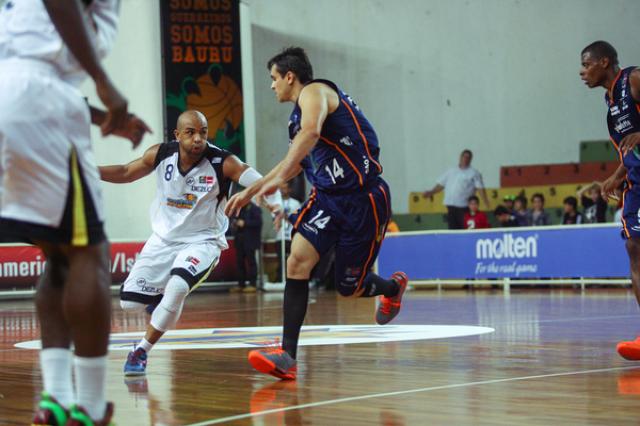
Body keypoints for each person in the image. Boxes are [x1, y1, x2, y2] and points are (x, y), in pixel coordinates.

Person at [0, 1, 152, 424]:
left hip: (14, 93)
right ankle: (89, 406)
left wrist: (104, 116)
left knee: (60, 254)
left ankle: (57, 397)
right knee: (89, 253)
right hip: (39, 97)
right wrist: (104, 81)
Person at [224, 47, 408, 380]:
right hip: (327, 199)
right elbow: (293, 161)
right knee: (296, 261)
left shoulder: (316, 92)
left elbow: (310, 134)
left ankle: (392, 289)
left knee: (349, 288)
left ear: (289, 76)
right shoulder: (295, 121)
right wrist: (251, 190)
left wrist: (277, 180)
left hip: (363, 200)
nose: (271, 85)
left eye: (273, 78)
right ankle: (287, 356)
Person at [99, 110, 280, 376]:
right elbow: (126, 171)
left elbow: (260, 181)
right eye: (190, 132)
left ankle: (141, 351)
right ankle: (159, 298)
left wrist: (275, 206)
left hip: (203, 241)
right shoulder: (161, 154)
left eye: (203, 133)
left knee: (177, 288)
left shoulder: (223, 162)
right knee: (129, 304)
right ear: (177, 135)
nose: (198, 139)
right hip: (163, 240)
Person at [581, 40, 640, 358]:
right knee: (634, 248)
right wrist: (616, 176)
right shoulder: (611, 102)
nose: (582, 72)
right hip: (636, 181)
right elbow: (631, 149)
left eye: (586, 64)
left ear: (604, 62)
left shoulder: (634, 79)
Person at [422, 150, 491, 229]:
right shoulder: (451, 171)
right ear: (460, 157)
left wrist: (485, 201)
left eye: (468, 157)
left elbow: (480, 188)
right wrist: (431, 192)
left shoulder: (474, 173)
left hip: (463, 207)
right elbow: (441, 185)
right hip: (450, 206)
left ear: (471, 159)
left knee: (463, 229)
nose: (466, 159)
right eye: (464, 156)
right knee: (452, 230)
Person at [230, 201, 263, 293]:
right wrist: (234, 223)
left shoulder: (254, 208)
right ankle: (241, 284)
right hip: (239, 239)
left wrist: (245, 223)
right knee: (240, 262)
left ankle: (253, 284)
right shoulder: (238, 209)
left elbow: (258, 222)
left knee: (251, 262)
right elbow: (233, 219)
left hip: (250, 240)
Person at [275, 182, 302, 282]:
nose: (282, 191)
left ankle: (293, 280)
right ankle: (280, 280)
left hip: (292, 237)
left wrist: (287, 217)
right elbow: (275, 218)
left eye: (284, 188)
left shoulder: (296, 203)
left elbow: (299, 219)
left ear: (290, 190)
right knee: (281, 260)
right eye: (280, 189)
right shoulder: (276, 203)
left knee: (293, 260)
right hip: (280, 236)